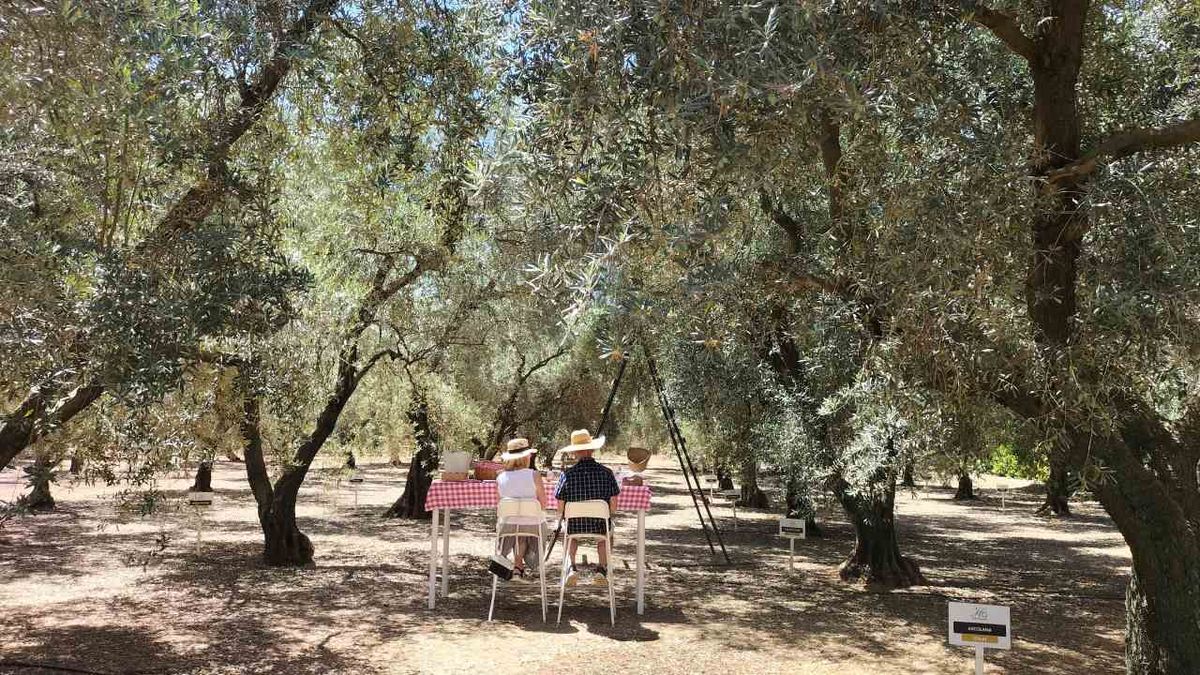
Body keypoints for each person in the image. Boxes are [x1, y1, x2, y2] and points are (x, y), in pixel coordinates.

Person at [554, 428, 619, 586]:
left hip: (575, 525)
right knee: (607, 535)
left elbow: (560, 505)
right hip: (599, 526)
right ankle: (602, 569)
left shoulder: (566, 475)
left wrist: (560, 519)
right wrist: (608, 514)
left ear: (575, 453)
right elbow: (613, 505)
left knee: (570, 535)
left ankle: (571, 566)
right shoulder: (607, 473)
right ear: (591, 449)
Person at [496, 438, 546, 579]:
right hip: (533, 526)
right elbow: (543, 504)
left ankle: (517, 567)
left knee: (517, 527)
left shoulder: (500, 477)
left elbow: (499, 505)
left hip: (508, 526)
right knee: (524, 525)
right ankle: (520, 566)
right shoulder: (534, 475)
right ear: (525, 457)